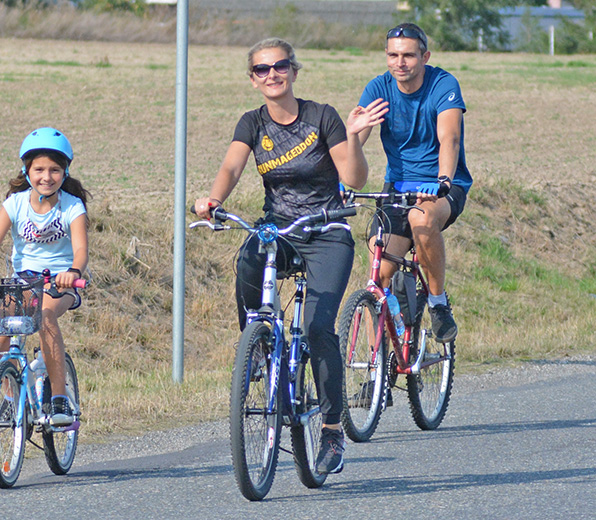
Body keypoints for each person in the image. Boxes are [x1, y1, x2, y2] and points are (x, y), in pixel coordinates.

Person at [194, 38, 387, 475]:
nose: (272, 74)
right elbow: (231, 167)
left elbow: (353, 178)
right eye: (262, 70)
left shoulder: (322, 117)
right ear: (252, 79)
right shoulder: (252, 123)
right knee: (247, 258)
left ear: (294, 71)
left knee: (319, 328)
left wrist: (355, 140)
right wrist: (213, 199)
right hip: (279, 230)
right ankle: (258, 345)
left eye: (280, 66)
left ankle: (333, 430)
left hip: (327, 232)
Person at [0, 127, 90, 426]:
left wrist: (73, 272)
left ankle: (59, 397)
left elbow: (80, 250)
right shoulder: (15, 204)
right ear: (27, 171)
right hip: (23, 281)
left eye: (55, 170)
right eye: (39, 169)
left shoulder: (72, 206)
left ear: (65, 173)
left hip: (59, 282)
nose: (46, 176)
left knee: (46, 317)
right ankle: (11, 399)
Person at [358, 23, 472, 344]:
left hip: (444, 185)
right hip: (398, 187)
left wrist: (443, 180)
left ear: (425, 56)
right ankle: (375, 369)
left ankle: (437, 302)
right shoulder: (378, 88)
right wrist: (352, 136)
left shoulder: (442, 84)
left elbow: (449, 137)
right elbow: (356, 140)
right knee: (377, 275)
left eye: (408, 55)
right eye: (393, 55)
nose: (400, 63)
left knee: (420, 219)